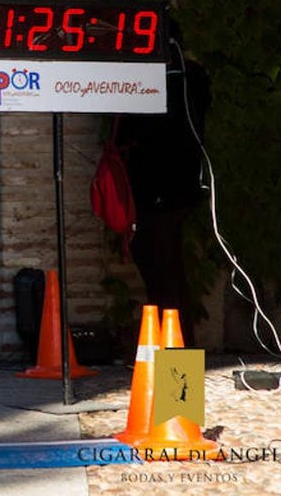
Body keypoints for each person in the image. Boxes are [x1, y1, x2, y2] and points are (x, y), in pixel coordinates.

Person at [116, 29, 211, 346]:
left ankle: (178, 360)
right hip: (180, 187)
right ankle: (169, 349)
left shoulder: (160, 83)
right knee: (166, 274)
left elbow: (129, 131)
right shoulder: (193, 77)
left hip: (157, 190)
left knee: (164, 277)